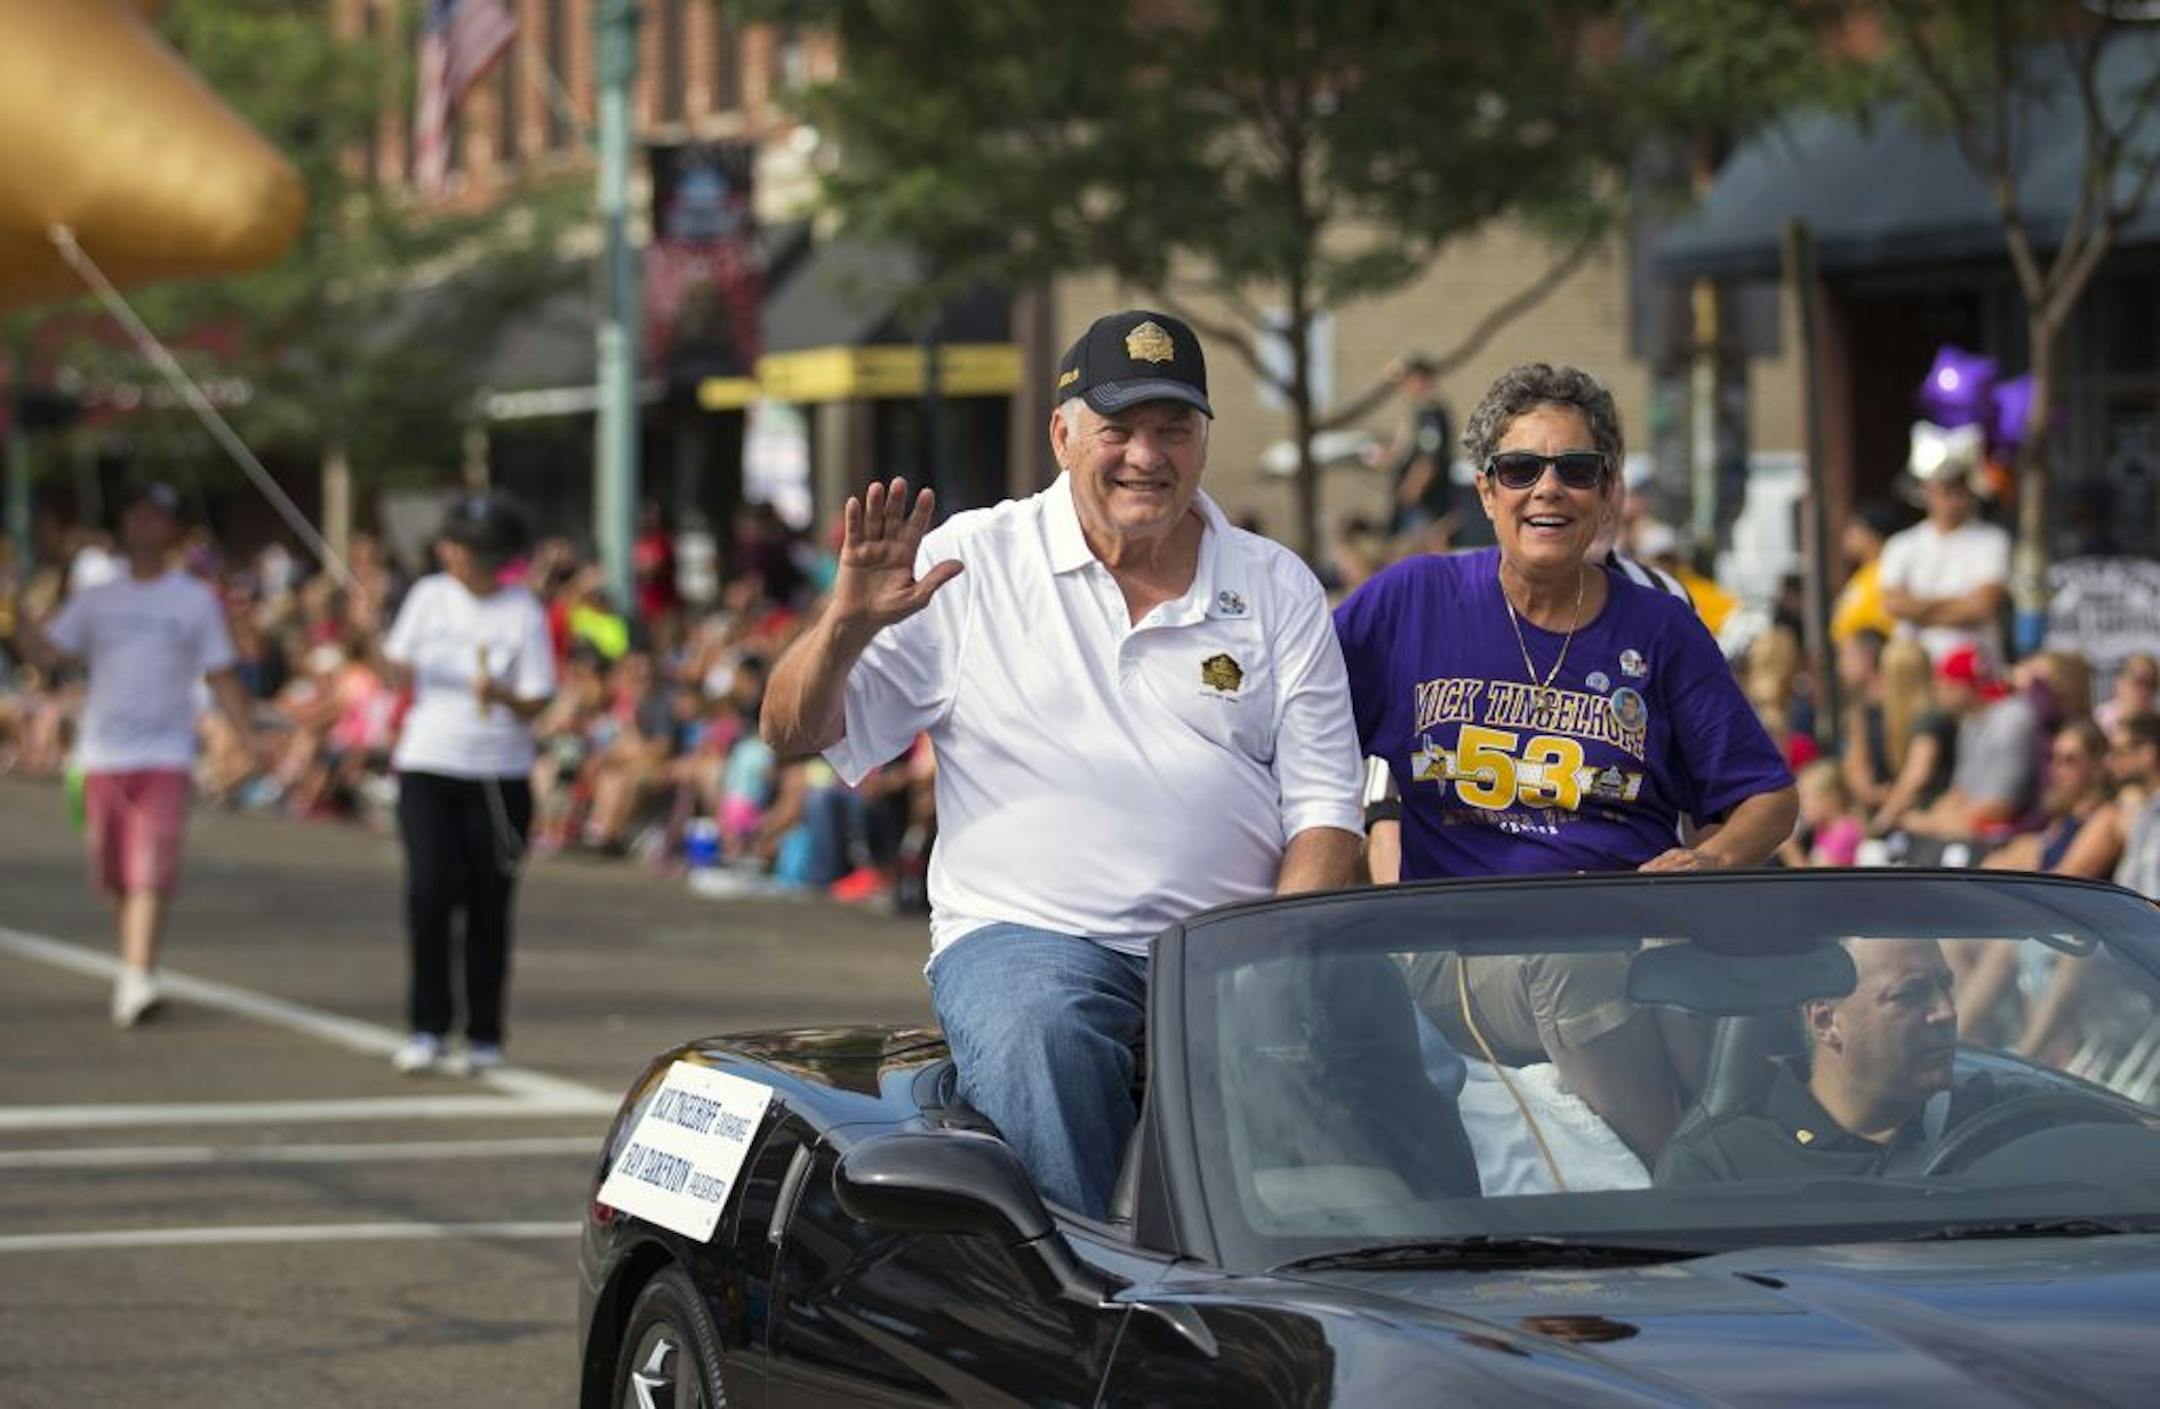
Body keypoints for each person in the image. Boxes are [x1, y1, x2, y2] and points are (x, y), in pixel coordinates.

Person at [761, 309, 1365, 1217]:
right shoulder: (971, 559)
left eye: (1172, 429)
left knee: (1392, 1079)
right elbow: (789, 730)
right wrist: (843, 627)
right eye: (1118, 429)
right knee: (1043, 1036)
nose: (1145, 456)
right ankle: (1096, 1315)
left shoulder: (1275, 581)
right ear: (1062, 434)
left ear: (1204, 439)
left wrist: (1269, 963)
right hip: (1031, 935)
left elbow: (1325, 811)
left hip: (1226, 943)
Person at [1333, 362, 1796, 1161]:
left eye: (1575, 471)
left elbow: (1768, 798)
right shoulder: (1410, 600)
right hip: (1464, 948)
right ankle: (1695, 1178)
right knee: (1576, 965)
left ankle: (1801, 1164)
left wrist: (1709, 858)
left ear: (1607, 492)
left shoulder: (1661, 629)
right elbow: (1298, 738)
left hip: (1639, 928)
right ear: (1486, 491)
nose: (1548, 489)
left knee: (1747, 970)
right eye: (1521, 469)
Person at [8, 483, 259, 1027]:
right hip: (101, 755)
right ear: (125, 523)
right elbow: (47, 653)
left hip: (166, 753)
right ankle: (133, 963)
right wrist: (15, 605)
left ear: (172, 528)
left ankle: (138, 973)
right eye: (137, 514)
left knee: (150, 870)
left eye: (157, 517)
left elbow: (221, 672)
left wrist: (247, 736)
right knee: (115, 875)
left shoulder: (193, 599)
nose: (145, 524)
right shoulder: (97, 596)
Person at [379, 495, 554, 1076]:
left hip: (496, 775)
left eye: (468, 546)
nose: (454, 554)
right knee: (428, 894)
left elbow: (537, 698)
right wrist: (370, 640)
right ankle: (427, 1025)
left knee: (488, 904)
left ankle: (484, 1034)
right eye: (452, 543)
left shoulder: (522, 611)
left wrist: (500, 696)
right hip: (429, 762)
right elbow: (395, 667)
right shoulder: (429, 596)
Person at [1657, 938, 2036, 1184]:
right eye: (1911, 994)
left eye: (1946, 985)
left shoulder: (2004, 1118)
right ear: (1825, 1021)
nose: (1947, 1012)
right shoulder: (1721, 1166)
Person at [1879, 423, 2011, 668]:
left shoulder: (1992, 540)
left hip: (1975, 672)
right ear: (1927, 490)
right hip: (1919, 672)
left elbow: (1983, 607)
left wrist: (1918, 609)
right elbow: (1894, 604)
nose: (1952, 498)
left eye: (1959, 489)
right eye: (1944, 489)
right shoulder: (1901, 544)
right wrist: (1959, 604)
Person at [1897, 645, 2039, 842]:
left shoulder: (2012, 720)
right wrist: (1929, 818)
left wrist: (1934, 824)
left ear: (1962, 688)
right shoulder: (1970, 721)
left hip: (2007, 834)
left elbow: (2003, 806)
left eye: (1943, 686)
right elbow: (1960, 792)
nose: (1937, 694)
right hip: (1972, 824)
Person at [1375, 354, 1476, 545]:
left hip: (1427, 505)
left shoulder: (1431, 413)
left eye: (1407, 380)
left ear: (1421, 380)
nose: (1404, 387)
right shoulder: (1418, 413)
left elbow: (1429, 458)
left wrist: (1411, 489)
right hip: (1421, 505)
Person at [1829, 501, 1902, 646]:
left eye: (1855, 529)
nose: (1848, 536)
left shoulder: (1887, 574)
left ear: (1873, 535)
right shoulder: (1863, 573)